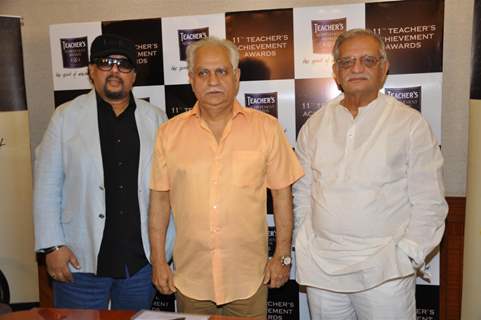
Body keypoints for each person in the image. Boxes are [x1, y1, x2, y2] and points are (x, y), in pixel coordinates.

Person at [293, 28, 448, 320]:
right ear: (336, 72)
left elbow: (429, 201)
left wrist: (406, 254)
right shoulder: (314, 126)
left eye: (367, 60)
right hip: (324, 271)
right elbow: (303, 191)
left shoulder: (409, 124)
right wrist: (305, 238)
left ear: (384, 68)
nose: (357, 68)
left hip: (385, 273)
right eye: (347, 62)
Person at [148, 37, 304, 319]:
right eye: (203, 73)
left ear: (237, 77)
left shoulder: (266, 129)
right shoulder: (168, 134)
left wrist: (282, 256)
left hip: (248, 281)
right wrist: (158, 261)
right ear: (191, 80)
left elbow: (282, 195)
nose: (213, 81)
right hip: (191, 281)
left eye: (221, 71)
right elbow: (159, 201)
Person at [33, 34, 174, 310]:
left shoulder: (156, 119)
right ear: (91, 70)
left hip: (140, 262)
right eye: (105, 62)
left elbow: (169, 189)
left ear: (133, 75)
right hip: (79, 260)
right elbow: (47, 184)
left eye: (123, 65)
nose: (114, 71)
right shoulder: (64, 117)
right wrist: (52, 246)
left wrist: (164, 253)